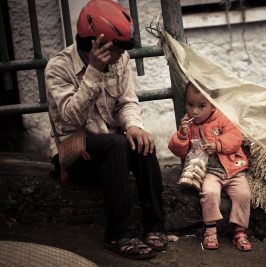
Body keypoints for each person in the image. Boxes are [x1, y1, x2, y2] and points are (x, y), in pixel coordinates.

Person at [45, 0, 167, 260]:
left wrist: (134, 126)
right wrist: (93, 72)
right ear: (94, 44)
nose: (123, 54)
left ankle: (155, 226)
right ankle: (119, 234)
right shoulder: (58, 67)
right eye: (117, 48)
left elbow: (127, 101)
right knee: (117, 143)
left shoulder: (120, 59)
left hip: (110, 149)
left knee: (141, 141)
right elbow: (70, 119)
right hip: (71, 149)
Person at [168, 82, 253, 251]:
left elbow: (235, 137)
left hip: (232, 170)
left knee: (243, 194)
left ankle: (240, 231)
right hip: (208, 172)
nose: (194, 111)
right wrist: (182, 135)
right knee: (209, 192)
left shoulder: (222, 119)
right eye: (190, 105)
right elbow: (178, 150)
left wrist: (218, 145)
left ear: (213, 105)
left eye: (201, 106)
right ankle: (210, 229)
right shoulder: (188, 125)